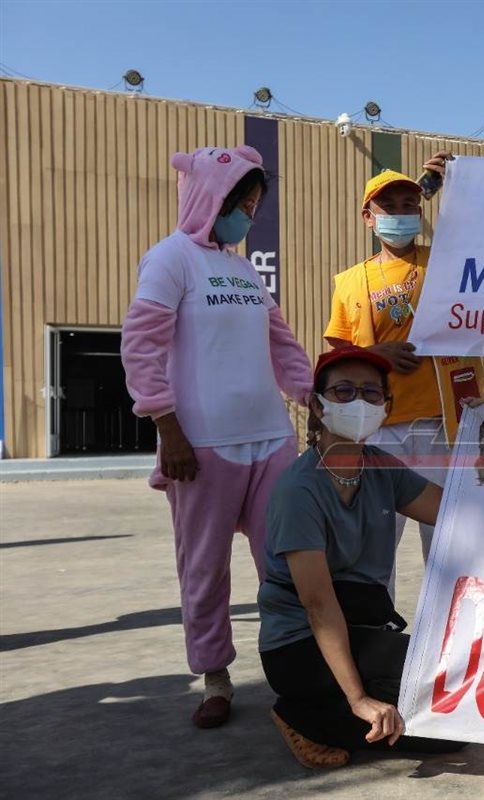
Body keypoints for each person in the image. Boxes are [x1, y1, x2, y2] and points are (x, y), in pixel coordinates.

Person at [120, 145, 312, 728]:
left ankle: (299, 670)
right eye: (241, 203)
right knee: (204, 569)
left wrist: (313, 397)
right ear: (210, 197)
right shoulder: (169, 259)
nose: (248, 215)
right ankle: (215, 676)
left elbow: (281, 343)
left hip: (272, 438)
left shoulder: (245, 269)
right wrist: (167, 427)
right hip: (202, 444)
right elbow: (141, 346)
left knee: (288, 562)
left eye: (254, 205)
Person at [258, 346, 465, 768]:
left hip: (362, 626)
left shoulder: (381, 467)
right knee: (440, 724)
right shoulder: (299, 491)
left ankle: (349, 704)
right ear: (318, 405)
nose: (359, 402)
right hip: (299, 644)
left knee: (453, 711)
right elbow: (318, 606)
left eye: (371, 393)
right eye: (344, 391)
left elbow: (453, 511)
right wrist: (358, 699)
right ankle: (300, 715)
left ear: (386, 406)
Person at [324, 154, 453, 562]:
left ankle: (448, 610)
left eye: (408, 205)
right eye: (389, 207)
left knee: (447, 544)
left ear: (420, 211)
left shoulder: (447, 261)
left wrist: (459, 185)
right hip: (378, 430)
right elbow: (338, 358)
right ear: (369, 217)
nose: (400, 214)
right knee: (376, 545)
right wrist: (373, 355)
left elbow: (483, 240)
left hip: (440, 426)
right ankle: (380, 609)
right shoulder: (349, 282)